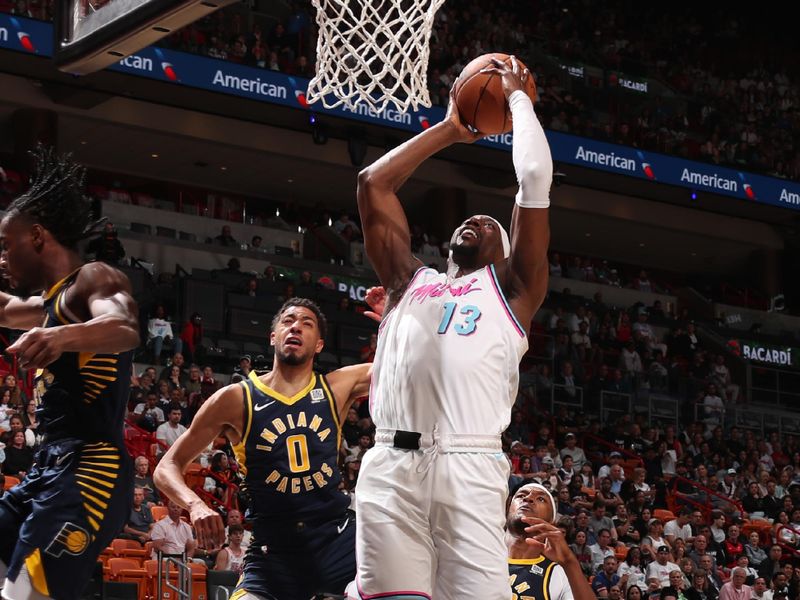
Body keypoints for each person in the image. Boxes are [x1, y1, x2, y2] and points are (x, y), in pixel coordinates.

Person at [353, 56, 551, 599]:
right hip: (391, 464)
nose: (476, 221)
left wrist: (516, 100)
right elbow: (373, 185)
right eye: (469, 220)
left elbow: (533, 177)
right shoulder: (406, 282)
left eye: (490, 224)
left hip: (470, 464)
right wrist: (447, 130)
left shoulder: (513, 292)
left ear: (506, 253)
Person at [154, 298, 371, 599]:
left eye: (307, 323)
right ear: (273, 337)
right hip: (273, 553)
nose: (296, 326)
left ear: (319, 344)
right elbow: (166, 467)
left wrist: (398, 315)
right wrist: (196, 505)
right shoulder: (235, 398)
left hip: (338, 541)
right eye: (288, 321)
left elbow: (404, 366)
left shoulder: (336, 387)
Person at [0, 146, 139, 599]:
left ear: (36, 236)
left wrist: (59, 339)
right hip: (47, 471)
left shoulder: (94, 279)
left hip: (90, 469)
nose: (2, 258)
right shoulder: (48, 304)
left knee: (26, 595)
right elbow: (4, 308)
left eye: (5, 245)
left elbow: (123, 328)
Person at [505, 483, 594, 600]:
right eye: (521, 495)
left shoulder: (560, 574)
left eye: (540, 499)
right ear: (508, 509)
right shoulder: (483, 551)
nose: (528, 498)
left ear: (552, 522)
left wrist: (569, 562)